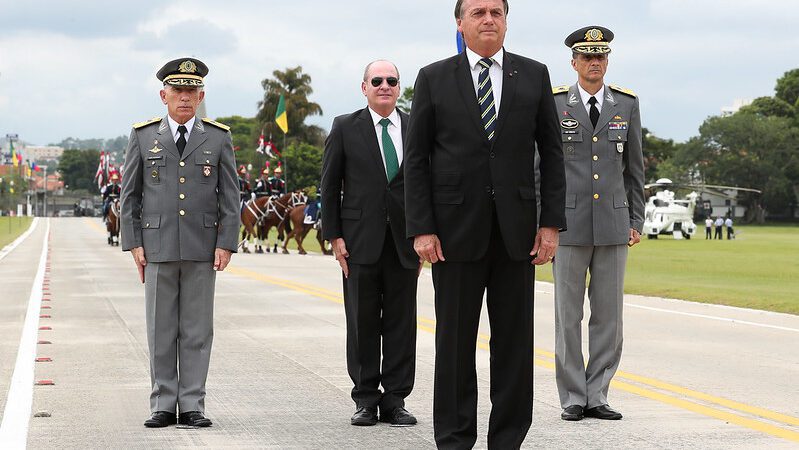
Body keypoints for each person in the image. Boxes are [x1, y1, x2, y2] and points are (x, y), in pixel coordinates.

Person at [404, 1, 566, 447]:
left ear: (507, 21)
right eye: (477, 12)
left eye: (496, 11)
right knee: (454, 345)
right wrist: (421, 227)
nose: (488, 19)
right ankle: (455, 439)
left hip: (519, 235)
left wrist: (551, 223)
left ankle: (508, 438)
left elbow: (552, 155)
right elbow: (416, 160)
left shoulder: (533, 74)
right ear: (460, 23)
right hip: (452, 235)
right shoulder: (434, 77)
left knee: (514, 346)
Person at [120, 57, 239, 429]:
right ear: (163, 95)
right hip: (157, 247)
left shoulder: (218, 137)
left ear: (201, 95)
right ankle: (162, 402)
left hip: (203, 247)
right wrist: (133, 242)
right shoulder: (143, 136)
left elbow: (230, 197)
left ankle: (192, 405)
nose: (185, 98)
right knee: (160, 329)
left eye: (191, 92)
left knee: (197, 329)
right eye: (178, 91)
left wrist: (227, 243)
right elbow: (129, 197)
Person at [551, 26, 645, 422]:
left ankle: (598, 394)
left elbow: (634, 169)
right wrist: (546, 222)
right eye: (587, 57)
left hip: (613, 222)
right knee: (567, 315)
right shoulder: (555, 103)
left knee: (609, 315)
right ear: (574, 62)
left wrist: (636, 219)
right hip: (568, 225)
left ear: (607, 61)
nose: (594, 63)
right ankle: (573, 395)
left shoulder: (626, 103)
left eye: (600, 57)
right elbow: (543, 168)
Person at [321, 60, 421, 428]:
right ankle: (365, 398)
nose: (384, 86)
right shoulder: (345, 127)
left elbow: (426, 184)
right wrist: (334, 237)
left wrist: (425, 233)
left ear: (399, 87)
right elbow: (330, 185)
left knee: (401, 324)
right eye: (376, 80)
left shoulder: (415, 126)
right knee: (362, 323)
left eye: (391, 81)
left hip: (404, 243)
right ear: (363, 87)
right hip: (359, 243)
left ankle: (395, 400)